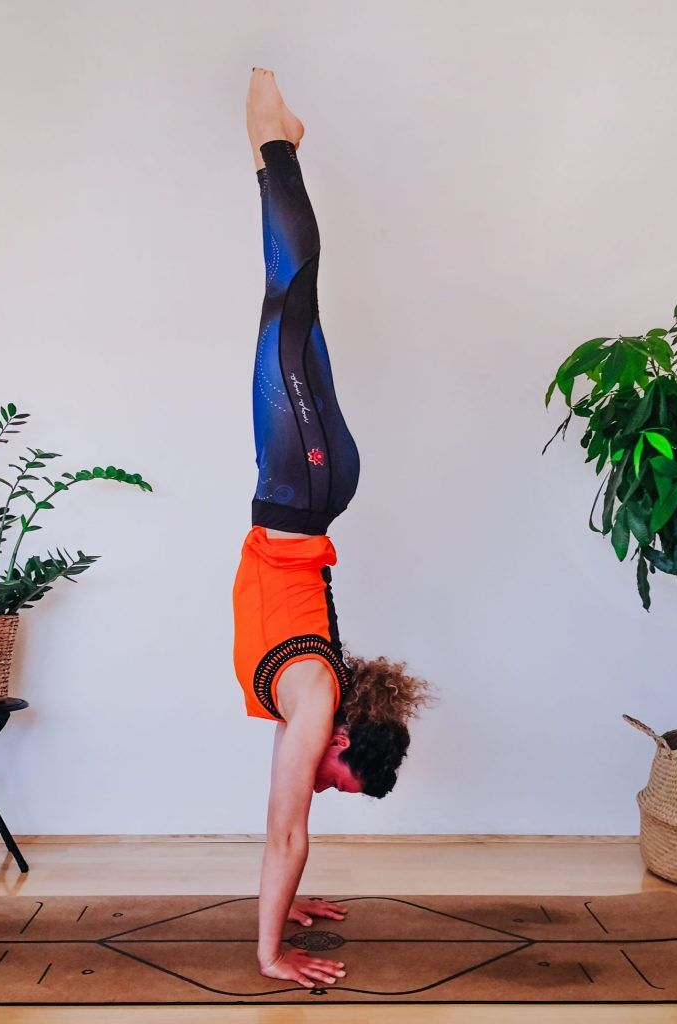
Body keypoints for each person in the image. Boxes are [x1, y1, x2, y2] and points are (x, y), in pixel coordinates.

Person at [233, 68, 436, 990]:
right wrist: (272, 952)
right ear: (346, 743)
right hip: (299, 482)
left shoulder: (316, 701)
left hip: (312, 486)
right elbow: (286, 828)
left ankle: (279, 138)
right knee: (292, 294)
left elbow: (289, 830)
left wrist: (293, 897)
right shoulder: (314, 700)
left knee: (294, 308)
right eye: (336, 779)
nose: (317, 780)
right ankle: (274, 137)